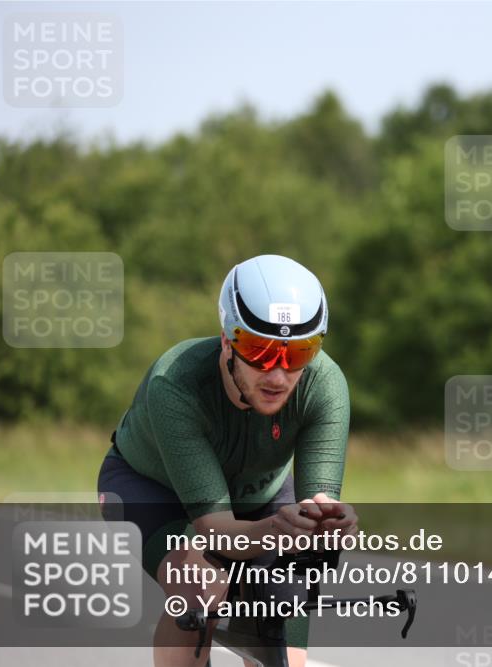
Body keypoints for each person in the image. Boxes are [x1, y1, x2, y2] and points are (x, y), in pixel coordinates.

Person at [97, 254, 356, 667]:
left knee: (286, 632)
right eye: (258, 350)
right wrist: (275, 528)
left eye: (297, 354)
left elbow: (317, 502)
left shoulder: (326, 384)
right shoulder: (176, 384)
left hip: (261, 494)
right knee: (200, 589)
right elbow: (214, 531)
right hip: (152, 488)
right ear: (227, 340)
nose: (277, 376)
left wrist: (329, 522)